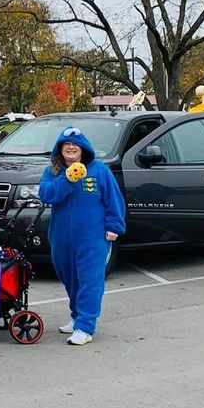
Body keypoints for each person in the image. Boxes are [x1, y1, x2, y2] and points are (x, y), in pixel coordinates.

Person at [38, 126, 125, 346]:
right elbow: (46, 195)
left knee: (89, 280)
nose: (70, 148)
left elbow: (113, 199)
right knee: (68, 276)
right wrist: (67, 179)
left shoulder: (99, 170)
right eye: (66, 145)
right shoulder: (53, 172)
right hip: (61, 237)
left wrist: (114, 225)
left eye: (75, 145)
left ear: (83, 148)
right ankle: (77, 315)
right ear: (60, 149)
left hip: (92, 237)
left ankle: (85, 326)